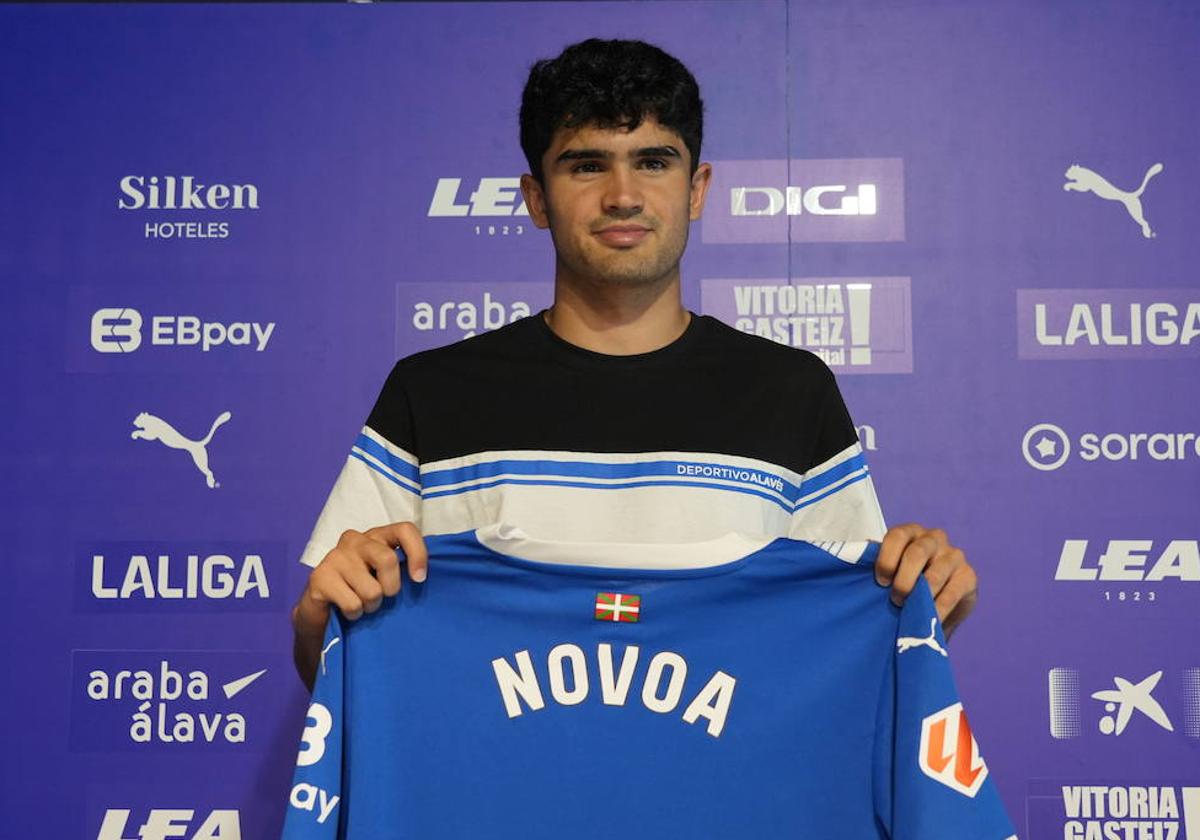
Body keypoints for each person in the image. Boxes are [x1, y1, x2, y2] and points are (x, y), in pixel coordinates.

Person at [290, 38, 977, 691]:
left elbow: (849, 634)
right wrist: (321, 612)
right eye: (586, 164)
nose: (622, 194)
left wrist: (923, 591)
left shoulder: (791, 392)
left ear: (697, 188)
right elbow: (330, 659)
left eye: (653, 161)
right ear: (535, 198)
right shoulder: (430, 392)